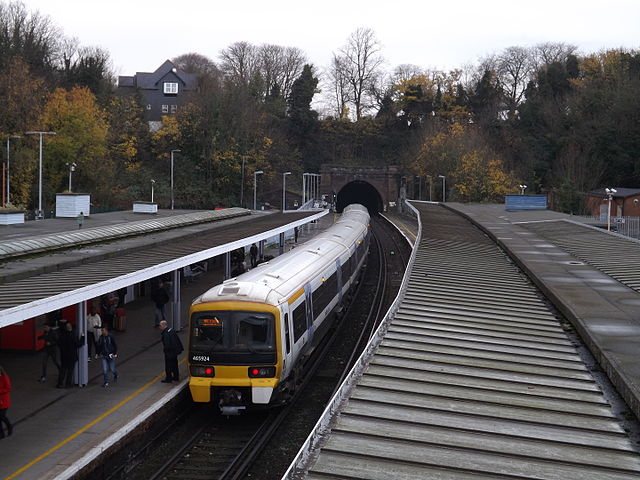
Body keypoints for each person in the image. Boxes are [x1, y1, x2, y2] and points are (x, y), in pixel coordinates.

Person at [57, 322, 83, 388]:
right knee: (70, 371)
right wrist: (83, 337)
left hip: (63, 355)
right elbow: (79, 344)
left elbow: (59, 344)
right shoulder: (72, 335)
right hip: (72, 355)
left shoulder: (62, 335)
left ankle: (60, 383)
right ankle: (67, 384)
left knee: (63, 369)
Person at [0, 366, 12, 438]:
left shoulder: (4, 377)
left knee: (1, 416)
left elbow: (8, 388)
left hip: (4, 401)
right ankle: (1, 434)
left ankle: (9, 426)